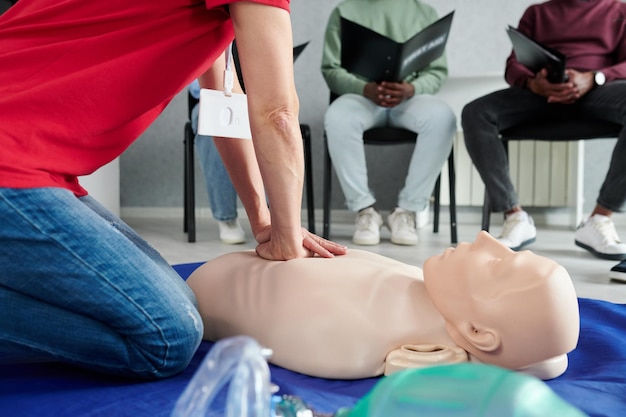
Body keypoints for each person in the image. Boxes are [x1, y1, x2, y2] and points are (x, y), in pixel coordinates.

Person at [0, 0, 346, 378]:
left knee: (178, 304)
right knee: (166, 338)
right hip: (12, 166)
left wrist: (266, 220)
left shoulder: (219, 16)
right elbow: (276, 113)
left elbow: (221, 109)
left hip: (33, 165)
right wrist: (286, 238)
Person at [186, 231, 581, 381]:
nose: (484, 238)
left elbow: (544, 356)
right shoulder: (439, 298)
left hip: (204, 290)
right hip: (220, 276)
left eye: (497, 263)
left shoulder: (354, 338)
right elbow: (548, 360)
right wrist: (463, 358)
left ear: (478, 332)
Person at [461, 0, 626, 281]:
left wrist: (594, 77)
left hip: (599, 91)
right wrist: (532, 83)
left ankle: (600, 218)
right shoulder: (537, 13)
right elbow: (513, 66)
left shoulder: (619, 11)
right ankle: (515, 216)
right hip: (541, 94)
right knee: (476, 113)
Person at [321, 0, 457, 246]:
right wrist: (363, 88)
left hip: (408, 99)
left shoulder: (425, 13)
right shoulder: (344, 11)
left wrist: (411, 88)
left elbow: (437, 72)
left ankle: (406, 211)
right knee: (338, 116)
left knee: (443, 117)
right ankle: (365, 211)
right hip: (361, 97)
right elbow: (330, 70)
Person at [189, 79, 246, 244]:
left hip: (259, 97)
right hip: (214, 96)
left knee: (276, 119)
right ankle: (226, 217)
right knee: (209, 118)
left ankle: (276, 217)